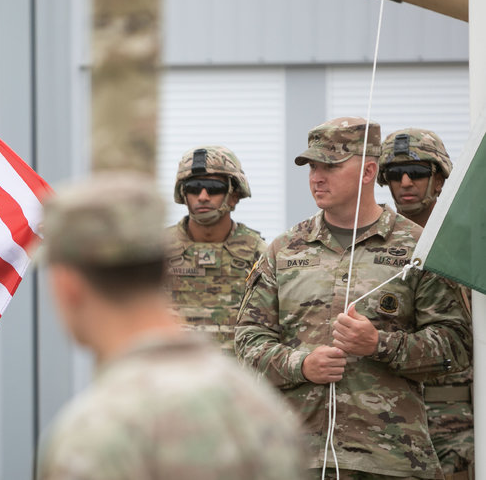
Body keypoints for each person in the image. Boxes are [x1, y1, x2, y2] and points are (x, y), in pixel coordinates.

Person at [235, 117, 472, 480]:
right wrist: (302, 364)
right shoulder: (283, 251)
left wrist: (379, 344)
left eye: (330, 165)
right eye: (313, 166)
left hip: (390, 459)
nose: (317, 176)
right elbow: (248, 343)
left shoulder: (417, 249)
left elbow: (455, 346)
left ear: (368, 171)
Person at [36, 171, 306, 480]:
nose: (203, 196)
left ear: (68, 285)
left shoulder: (96, 432)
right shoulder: (263, 412)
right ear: (166, 268)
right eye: (194, 189)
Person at [378, 128, 473, 480]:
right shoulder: (370, 241)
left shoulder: (469, 243)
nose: (405, 182)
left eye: (417, 173)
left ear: (439, 179)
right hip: (387, 409)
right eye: (394, 174)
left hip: (456, 411)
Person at [164, 145, 265, 352]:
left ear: (234, 195)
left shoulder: (259, 254)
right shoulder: (156, 252)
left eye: (213, 188)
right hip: (170, 374)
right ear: (184, 195)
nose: (202, 196)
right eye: (194, 188)